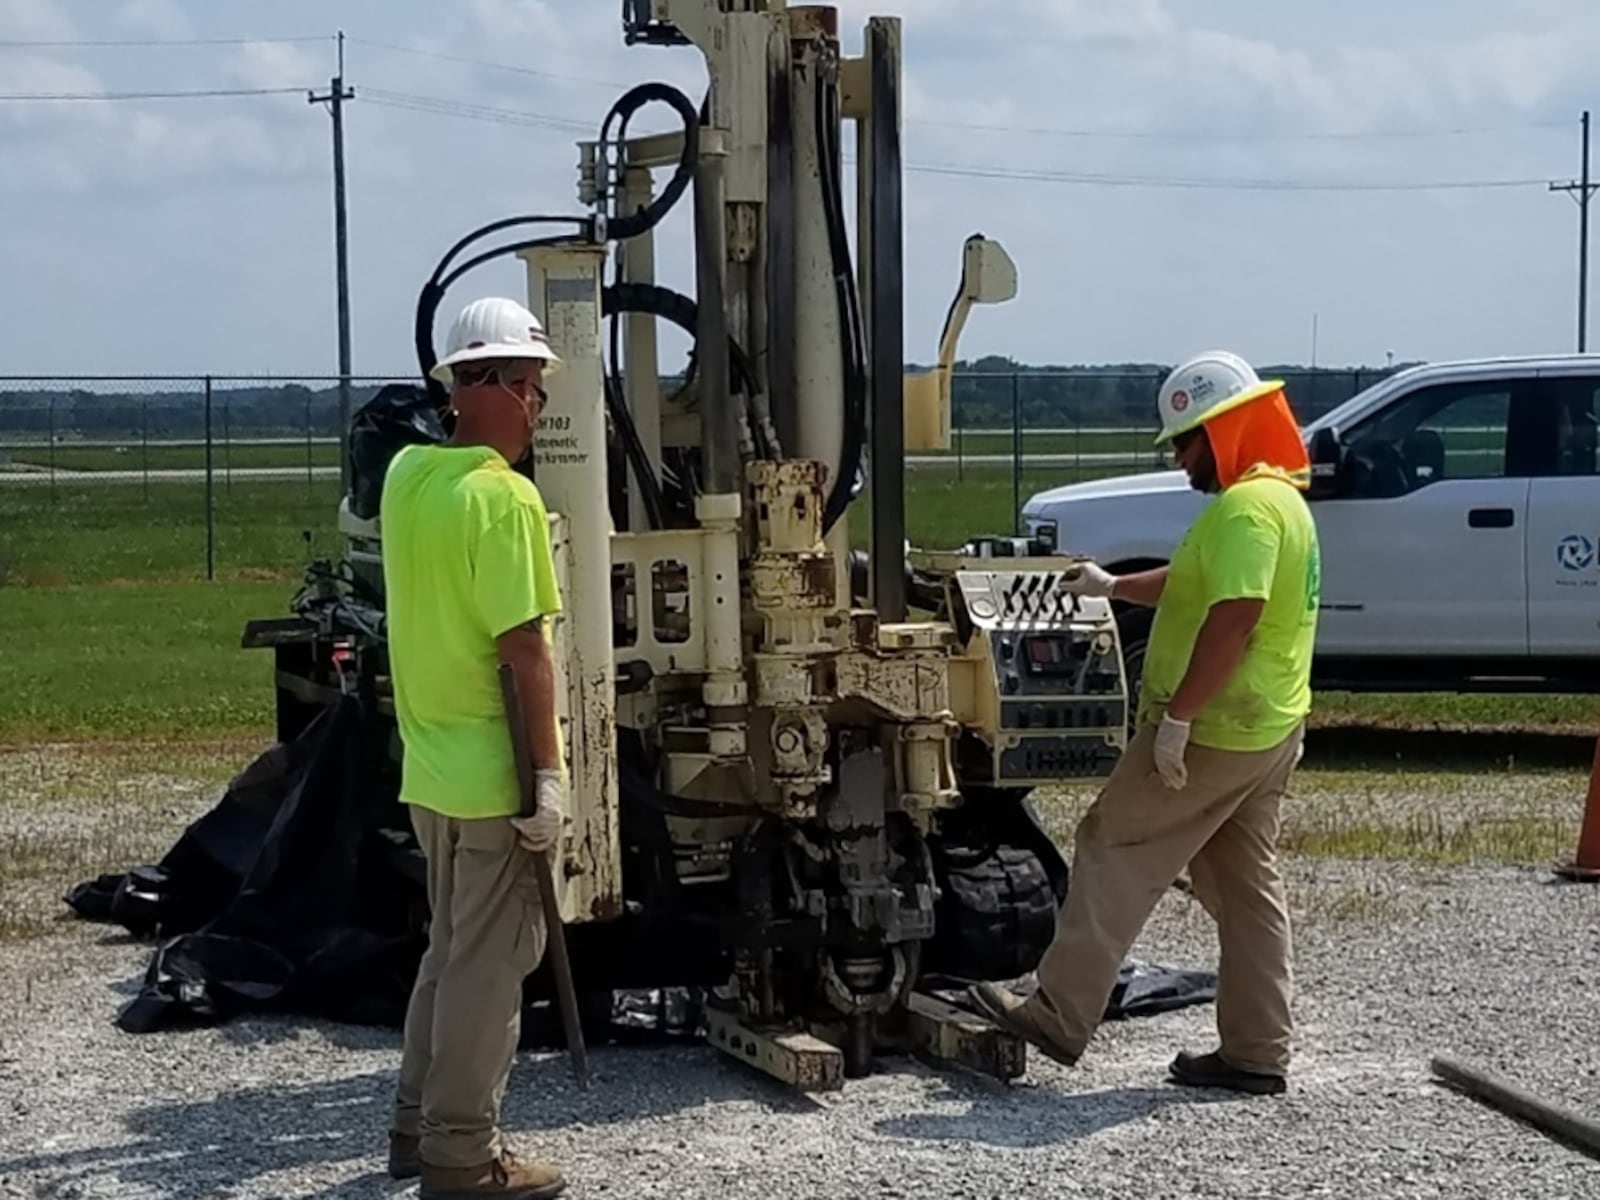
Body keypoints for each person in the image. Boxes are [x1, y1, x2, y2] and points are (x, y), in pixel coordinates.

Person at [971, 349, 1320, 1097]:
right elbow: (1200, 580)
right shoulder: (1277, 501)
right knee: (1245, 886)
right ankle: (1257, 1050)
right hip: (1269, 726)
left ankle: (1058, 1016)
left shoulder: (1248, 510)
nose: (1181, 457)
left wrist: (1179, 721)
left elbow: (1234, 617)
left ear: (1223, 429)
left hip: (1218, 729)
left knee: (1112, 841)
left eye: (1187, 440)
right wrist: (1113, 587)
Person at [381, 296, 571, 1199]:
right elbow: (524, 651)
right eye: (529, 387)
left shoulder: (407, 477)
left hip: (430, 770)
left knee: (447, 955)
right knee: (488, 973)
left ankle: (417, 1128)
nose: (537, 408)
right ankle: (463, 1156)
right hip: (492, 777)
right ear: (484, 385)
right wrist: (549, 780)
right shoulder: (505, 499)